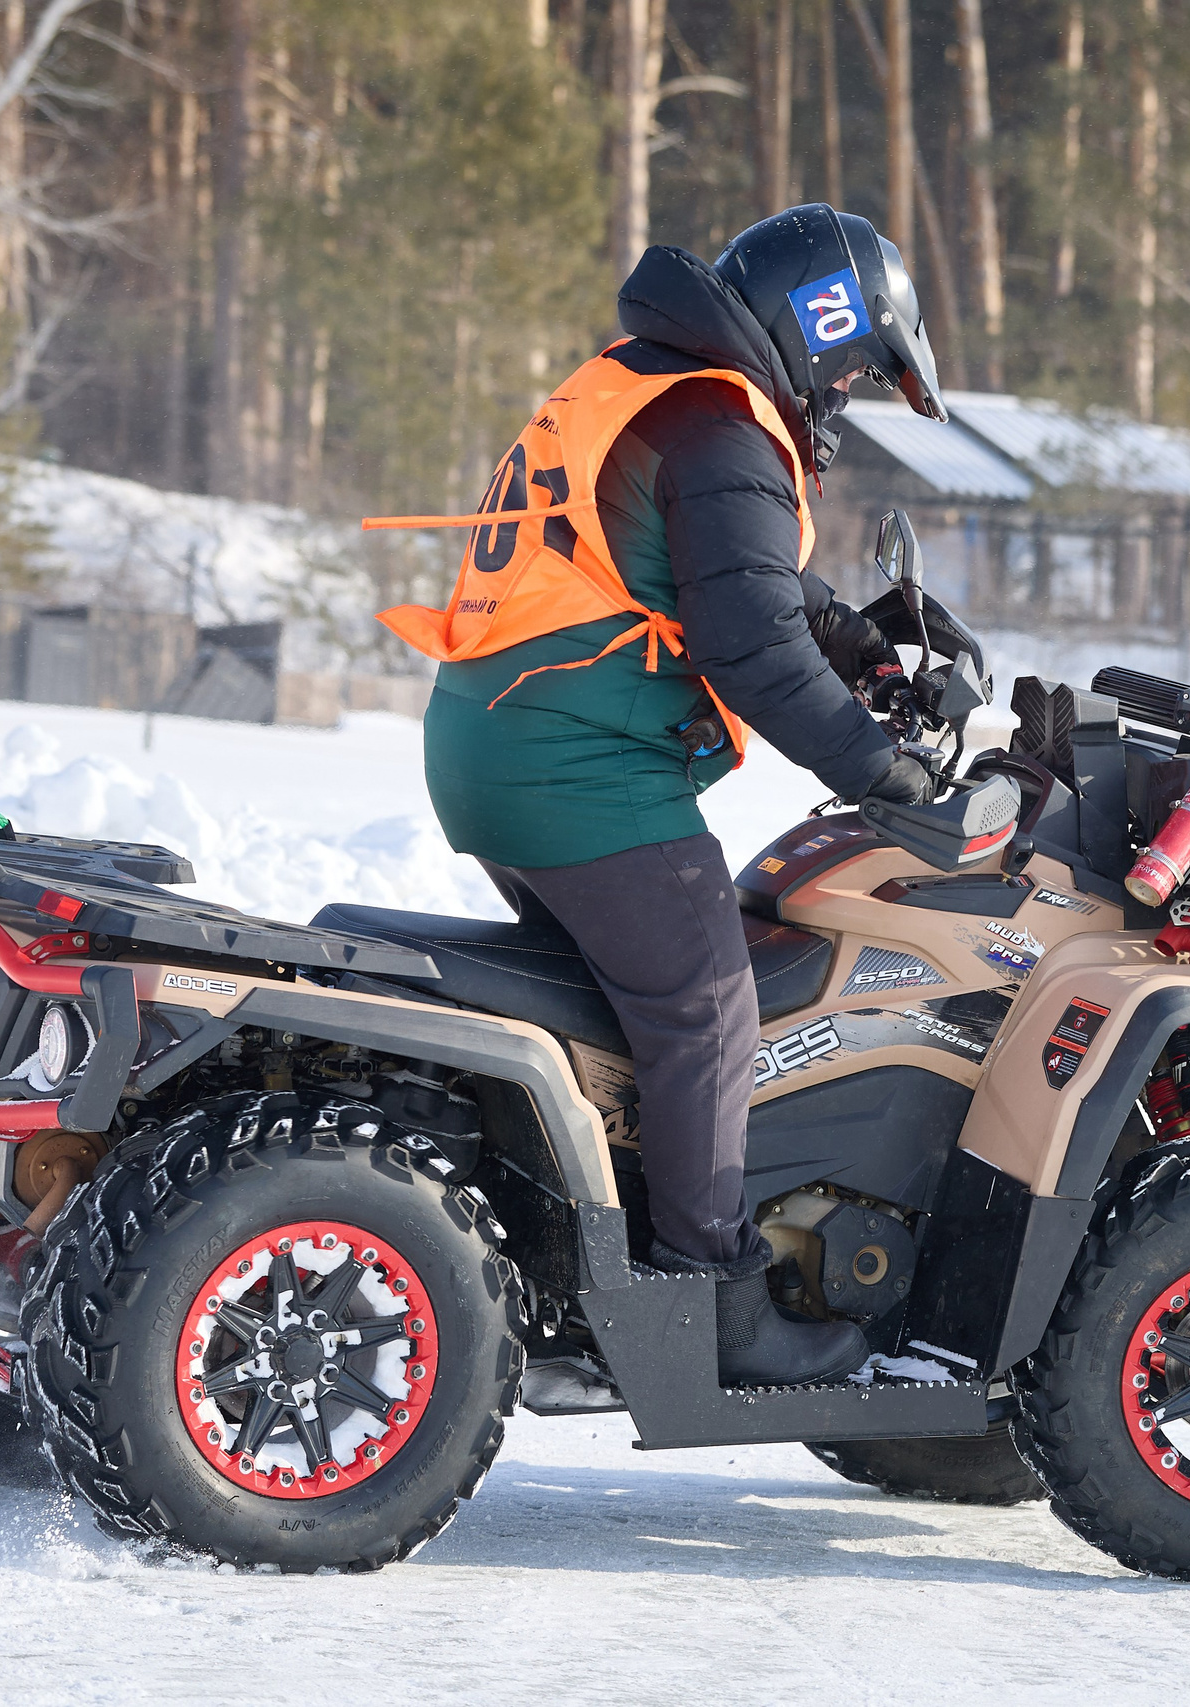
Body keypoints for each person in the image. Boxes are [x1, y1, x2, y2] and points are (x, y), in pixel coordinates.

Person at [373, 205, 948, 1386]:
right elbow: (749, 650)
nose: (838, 399)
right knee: (706, 1009)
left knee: (613, 1024)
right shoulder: (720, 424)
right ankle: (708, 1310)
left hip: (503, 741)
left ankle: (583, 1260)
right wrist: (881, 773)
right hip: (577, 771)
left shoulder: (656, 389)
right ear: (815, 328)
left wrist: (852, 631)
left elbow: (710, 574)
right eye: (846, 373)